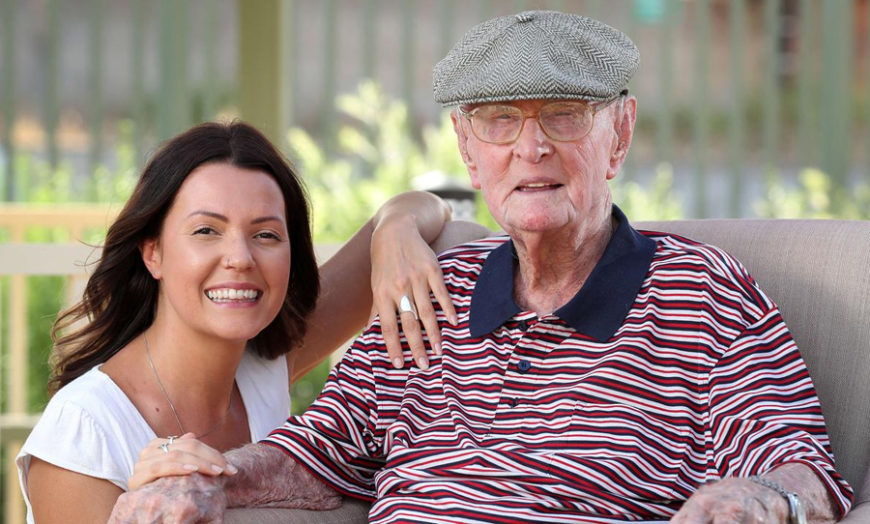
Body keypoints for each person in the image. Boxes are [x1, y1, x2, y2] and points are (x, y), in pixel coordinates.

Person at [110, 11, 853, 523]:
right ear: (468, 149)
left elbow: (801, 469)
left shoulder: (703, 295)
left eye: (564, 115)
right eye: (500, 121)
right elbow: (323, 446)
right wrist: (210, 478)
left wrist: (761, 501)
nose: (531, 149)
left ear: (618, 134)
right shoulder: (435, 292)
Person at [15, 121, 472, 523]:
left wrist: (394, 232)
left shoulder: (263, 363)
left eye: (266, 235)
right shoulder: (84, 435)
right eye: (206, 231)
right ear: (153, 252)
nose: (240, 258)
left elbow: (428, 209)